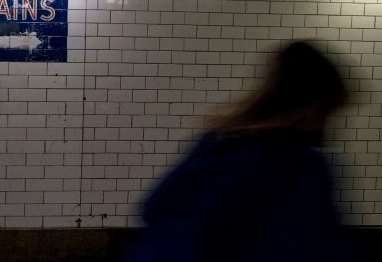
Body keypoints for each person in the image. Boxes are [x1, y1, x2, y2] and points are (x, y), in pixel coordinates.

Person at [131, 41, 347, 262]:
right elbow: (316, 245)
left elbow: (154, 205)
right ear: (314, 107)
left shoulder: (215, 142)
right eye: (329, 112)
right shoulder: (302, 166)